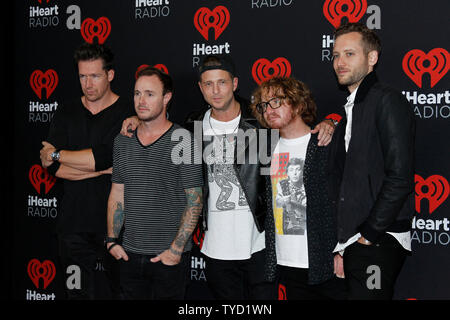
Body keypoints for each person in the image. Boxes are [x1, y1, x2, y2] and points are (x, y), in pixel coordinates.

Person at [121, 54, 334, 300]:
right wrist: (139, 118)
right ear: (200, 88)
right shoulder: (192, 126)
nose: (215, 90)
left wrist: (329, 124)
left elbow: (296, 129)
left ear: (234, 84)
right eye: (208, 84)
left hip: (260, 246)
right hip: (215, 249)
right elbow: (160, 124)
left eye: (221, 82)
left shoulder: (260, 122)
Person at [39, 42, 135, 299]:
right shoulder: (67, 111)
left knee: (123, 293)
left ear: (110, 75)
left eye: (94, 76)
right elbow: (55, 169)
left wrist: (60, 155)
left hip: (118, 226)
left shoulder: (128, 112)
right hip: (73, 227)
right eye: (82, 76)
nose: (88, 84)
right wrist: (102, 169)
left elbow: (106, 157)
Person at [330, 22, 415, 300]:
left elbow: (400, 177)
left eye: (349, 54)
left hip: (378, 241)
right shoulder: (351, 109)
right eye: (335, 55)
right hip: (357, 242)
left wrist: (369, 236)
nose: (340, 62)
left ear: (372, 58)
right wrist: (344, 245)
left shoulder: (387, 100)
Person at [106, 66, 204, 300]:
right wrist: (111, 240)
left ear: (166, 97)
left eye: (150, 94)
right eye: (137, 93)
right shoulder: (123, 140)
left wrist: (176, 250)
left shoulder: (182, 139)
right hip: (129, 255)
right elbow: (117, 192)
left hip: (167, 259)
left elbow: (195, 199)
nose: (141, 100)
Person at [251, 76, 347, 300]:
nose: (269, 109)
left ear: (298, 103)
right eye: (264, 105)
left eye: (277, 101)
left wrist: (343, 249)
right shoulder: (266, 148)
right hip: (286, 262)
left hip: (326, 261)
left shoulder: (324, 144)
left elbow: (347, 198)